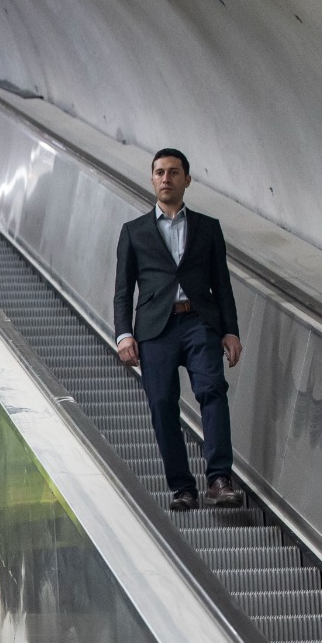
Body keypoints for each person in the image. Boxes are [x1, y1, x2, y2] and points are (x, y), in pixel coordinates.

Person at [114, 147, 244, 511]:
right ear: (152, 179)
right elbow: (123, 290)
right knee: (161, 405)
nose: (165, 178)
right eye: (159, 172)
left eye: (173, 172)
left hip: (200, 323)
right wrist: (124, 334)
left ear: (187, 179)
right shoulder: (134, 232)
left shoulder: (208, 228)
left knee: (213, 390)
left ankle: (219, 479)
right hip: (156, 330)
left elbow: (222, 284)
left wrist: (230, 330)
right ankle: (182, 487)